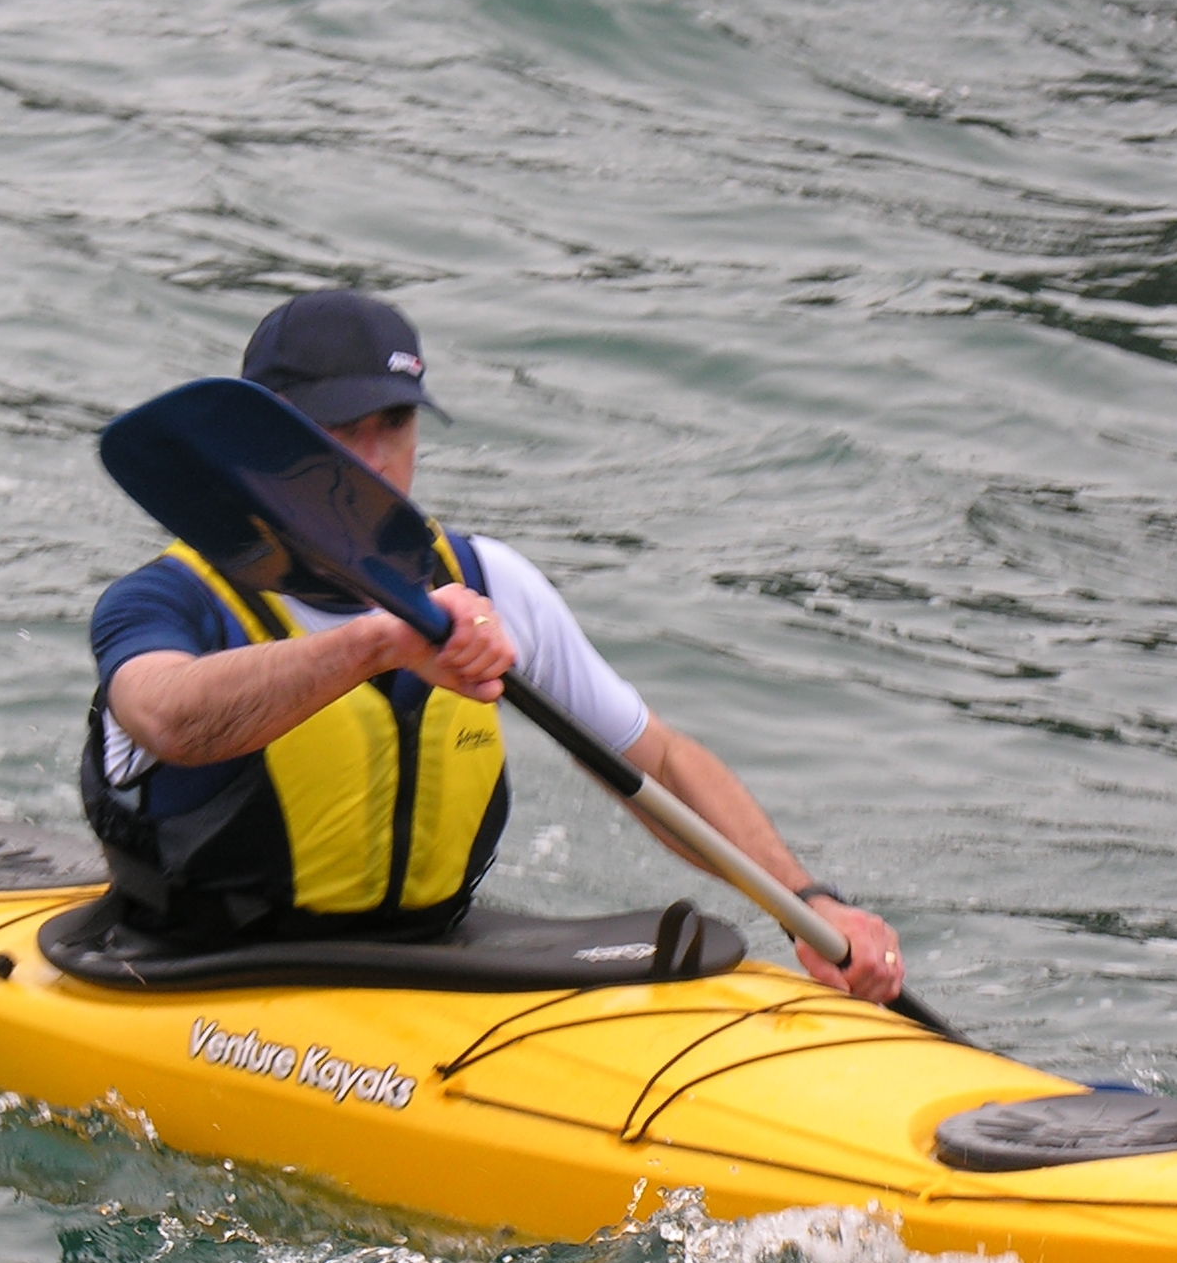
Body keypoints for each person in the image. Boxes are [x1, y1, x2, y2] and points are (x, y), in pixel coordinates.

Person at [82, 289, 908, 1003]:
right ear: (259, 447)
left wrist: (806, 902)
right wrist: (377, 645)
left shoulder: (488, 583)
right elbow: (170, 720)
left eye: (395, 424)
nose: (374, 463)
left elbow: (656, 762)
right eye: (336, 430)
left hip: (433, 966)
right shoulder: (167, 600)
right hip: (196, 972)